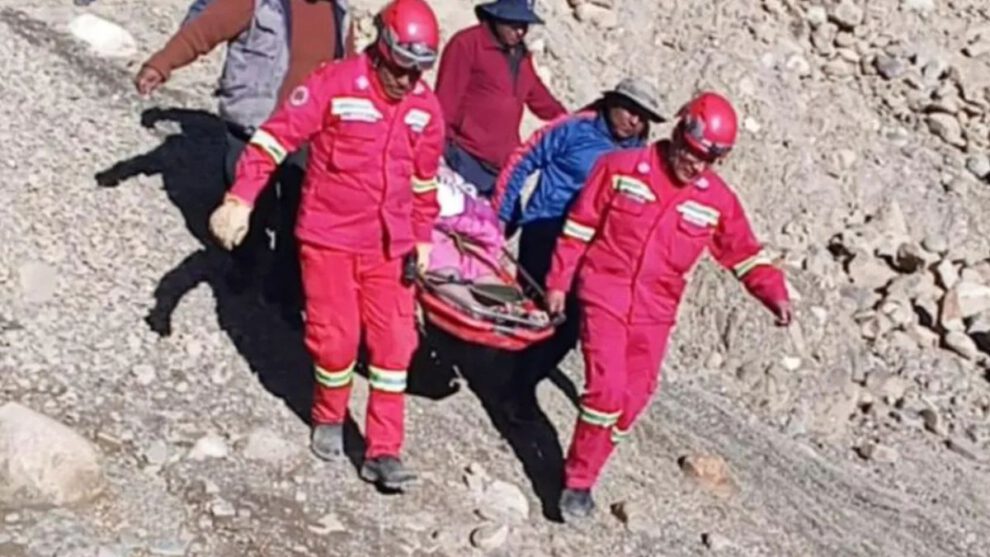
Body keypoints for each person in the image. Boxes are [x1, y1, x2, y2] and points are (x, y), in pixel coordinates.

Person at [207, 0, 443, 492]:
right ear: (381, 49)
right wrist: (241, 198)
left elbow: (424, 184)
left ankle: (383, 450)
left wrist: (421, 238)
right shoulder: (334, 84)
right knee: (335, 341)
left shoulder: (424, 108)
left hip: (389, 245)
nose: (406, 81)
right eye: (400, 68)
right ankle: (329, 416)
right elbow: (274, 138)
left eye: (417, 71)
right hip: (330, 238)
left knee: (395, 348)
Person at [544, 92, 793, 521]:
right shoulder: (621, 169)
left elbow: (744, 253)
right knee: (606, 390)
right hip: (606, 293)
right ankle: (578, 481)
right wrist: (558, 283)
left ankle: (592, 460)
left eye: (707, 160)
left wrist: (773, 293)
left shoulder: (716, 200)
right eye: (692, 153)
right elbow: (579, 228)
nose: (696, 165)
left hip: (655, 311)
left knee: (634, 397)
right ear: (678, 134)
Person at [134, 0, 354, 318]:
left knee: (300, 213)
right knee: (247, 206)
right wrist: (161, 64)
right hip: (255, 126)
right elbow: (205, 30)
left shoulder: (340, 13)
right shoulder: (259, 3)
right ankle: (243, 269)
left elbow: (350, 73)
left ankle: (284, 289)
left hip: (308, 133)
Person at [492, 77, 666, 423]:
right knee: (536, 310)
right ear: (612, 102)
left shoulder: (640, 154)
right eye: (631, 111)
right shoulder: (573, 128)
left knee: (568, 329)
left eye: (643, 116)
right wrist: (500, 218)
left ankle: (518, 383)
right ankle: (508, 387)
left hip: (590, 248)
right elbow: (524, 159)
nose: (635, 121)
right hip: (547, 230)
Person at [434, 0, 567, 196]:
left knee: (505, 224)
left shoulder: (521, 55)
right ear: (498, 16)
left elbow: (538, 96)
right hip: (465, 157)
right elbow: (445, 102)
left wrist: (569, 120)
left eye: (524, 26)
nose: (520, 32)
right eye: (514, 24)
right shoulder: (468, 44)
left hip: (504, 165)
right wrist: (438, 155)